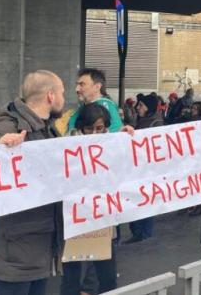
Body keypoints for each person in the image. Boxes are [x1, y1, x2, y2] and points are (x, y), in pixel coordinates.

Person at [0, 70, 66, 295]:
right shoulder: (6, 129)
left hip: (39, 249)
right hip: (15, 255)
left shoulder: (47, 130)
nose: (65, 98)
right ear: (51, 96)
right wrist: (0, 153)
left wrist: (121, 141)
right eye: (62, 93)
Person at [60, 103, 135, 295]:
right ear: (80, 127)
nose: (94, 133)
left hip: (102, 217)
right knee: (71, 276)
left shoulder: (112, 141)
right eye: (89, 129)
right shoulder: (65, 145)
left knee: (107, 274)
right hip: (75, 219)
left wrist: (126, 137)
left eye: (100, 128)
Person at [127, 94, 165, 243]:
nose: (138, 108)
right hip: (137, 170)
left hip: (148, 172)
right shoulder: (141, 121)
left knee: (145, 202)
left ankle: (143, 233)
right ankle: (137, 232)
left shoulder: (156, 123)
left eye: (141, 105)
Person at [68, 68, 123, 133]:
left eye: (82, 84)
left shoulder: (106, 105)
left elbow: (115, 134)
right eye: (77, 85)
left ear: (97, 87)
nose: (76, 89)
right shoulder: (82, 108)